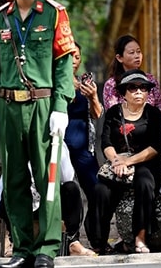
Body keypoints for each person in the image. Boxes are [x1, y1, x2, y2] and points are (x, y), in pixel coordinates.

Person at [0, 0, 76, 267]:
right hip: (8, 107)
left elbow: (64, 64)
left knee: (48, 177)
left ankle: (47, 248)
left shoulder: (53, 14)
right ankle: (21, 248)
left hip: (42, 107)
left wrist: (62, 106)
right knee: (15, 180)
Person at [89, 69, 161, 255]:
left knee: (145, 183)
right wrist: (116, 161)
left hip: (144, 161)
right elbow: (105, 141)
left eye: (143, 88)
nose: (139, 92)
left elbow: (155, 147)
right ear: (123, 93)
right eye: (133, 88)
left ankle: (140, 237)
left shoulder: (153, 114)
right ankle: (99, 243)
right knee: (101, 190)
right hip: (118, 161)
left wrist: (129, 161)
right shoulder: (114, 112)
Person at [0, 143, 96, 258]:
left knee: (71, 188)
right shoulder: (18, 145)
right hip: (26, 204)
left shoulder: (56, 143)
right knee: (10, 191)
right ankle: (12, 241)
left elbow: (67, 177)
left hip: (50, 201)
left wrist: (59, 152)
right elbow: (4, 189)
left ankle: (73, 242)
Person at [65, 43, 102, 203]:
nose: (74, 60)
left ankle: (94, 226)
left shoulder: (85, 84)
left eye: (77, 57)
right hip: (58, 146)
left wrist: (93, 97)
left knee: (95, 189)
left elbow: (97, 114)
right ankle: (69, 226)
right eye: (70, 55)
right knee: (64, 189)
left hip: (83, 147)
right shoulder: (50, 84)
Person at [102, 35, 161, 112]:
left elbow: (160, 108)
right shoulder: (112, 84)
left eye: (139, 52)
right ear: (119, 58)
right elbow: (112, 114)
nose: (137, 56)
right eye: (132, 52)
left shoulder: (150, 80)